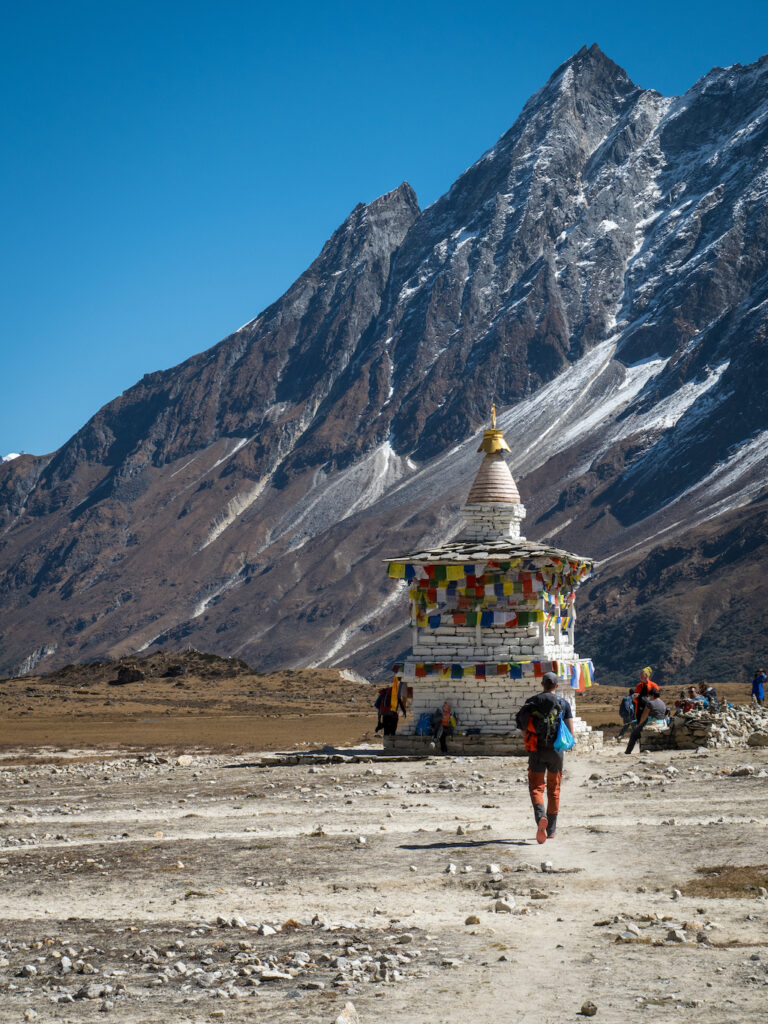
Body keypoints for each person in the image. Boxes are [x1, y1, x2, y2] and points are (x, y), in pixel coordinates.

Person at [515, 672, 574, 844]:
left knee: (536, 788)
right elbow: (570, 731)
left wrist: (530, 740)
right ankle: (552, 830)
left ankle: (541, 817)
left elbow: (523, 727)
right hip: (556, 751)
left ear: (542, 684)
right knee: (554, 789)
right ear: (556, 686)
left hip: (536, 750)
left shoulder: (532, 702)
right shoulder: (563, 703)